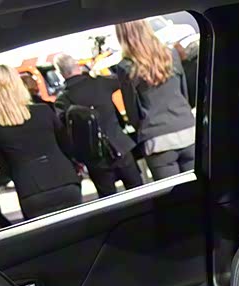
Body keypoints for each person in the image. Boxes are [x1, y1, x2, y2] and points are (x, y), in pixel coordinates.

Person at [0, 64, 81, 220]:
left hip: (30, 190)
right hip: (65, 180)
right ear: (17, 83)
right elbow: (67, 145)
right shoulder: (43, 111)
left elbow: (3, 166)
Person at [115, 19, 196, 180]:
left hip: (157, 140)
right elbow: (184, 92)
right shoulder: (171, 54)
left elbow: (132, 111)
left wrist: (142, 129)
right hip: (187, 129)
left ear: (122, 35)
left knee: (172, 193)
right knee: (198, 188)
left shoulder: (126, 66)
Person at [54, 53, 143, 198]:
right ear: (77, 66)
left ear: (60, 73)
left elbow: (65, 131)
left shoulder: (62, 100)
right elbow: (122, 78)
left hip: (95, 157)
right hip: (120, 146)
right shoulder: (100, 83)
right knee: (139, 193)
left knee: (109, 199)